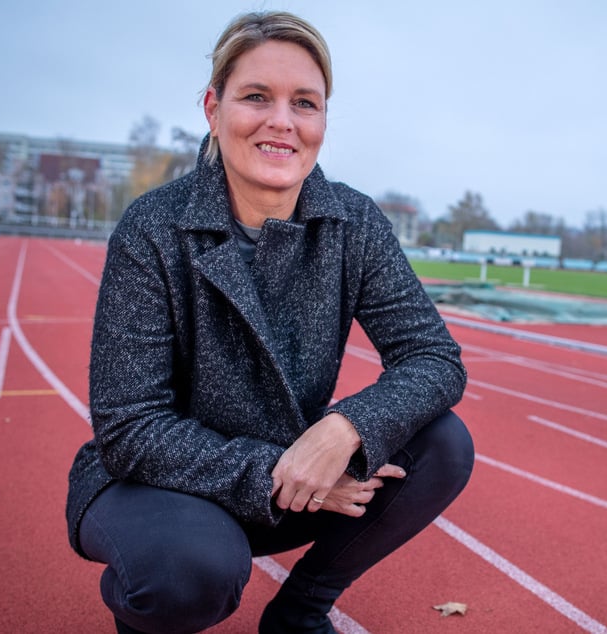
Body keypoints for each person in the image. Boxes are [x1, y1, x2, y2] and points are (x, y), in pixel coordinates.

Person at [65, 10, 474, 634]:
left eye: (304, 103)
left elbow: (434, 358)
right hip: (160, 483)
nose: (282, 121)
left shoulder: (352, 222)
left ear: (323, 120)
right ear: (213, 108)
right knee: (186, 574)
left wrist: (345, 430)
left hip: (299, 470)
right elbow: (129, 427)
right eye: (257, 96)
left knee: (442, 445)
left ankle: (300, 611)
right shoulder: (153, 228)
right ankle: (155, 595)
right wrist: (279, 471)